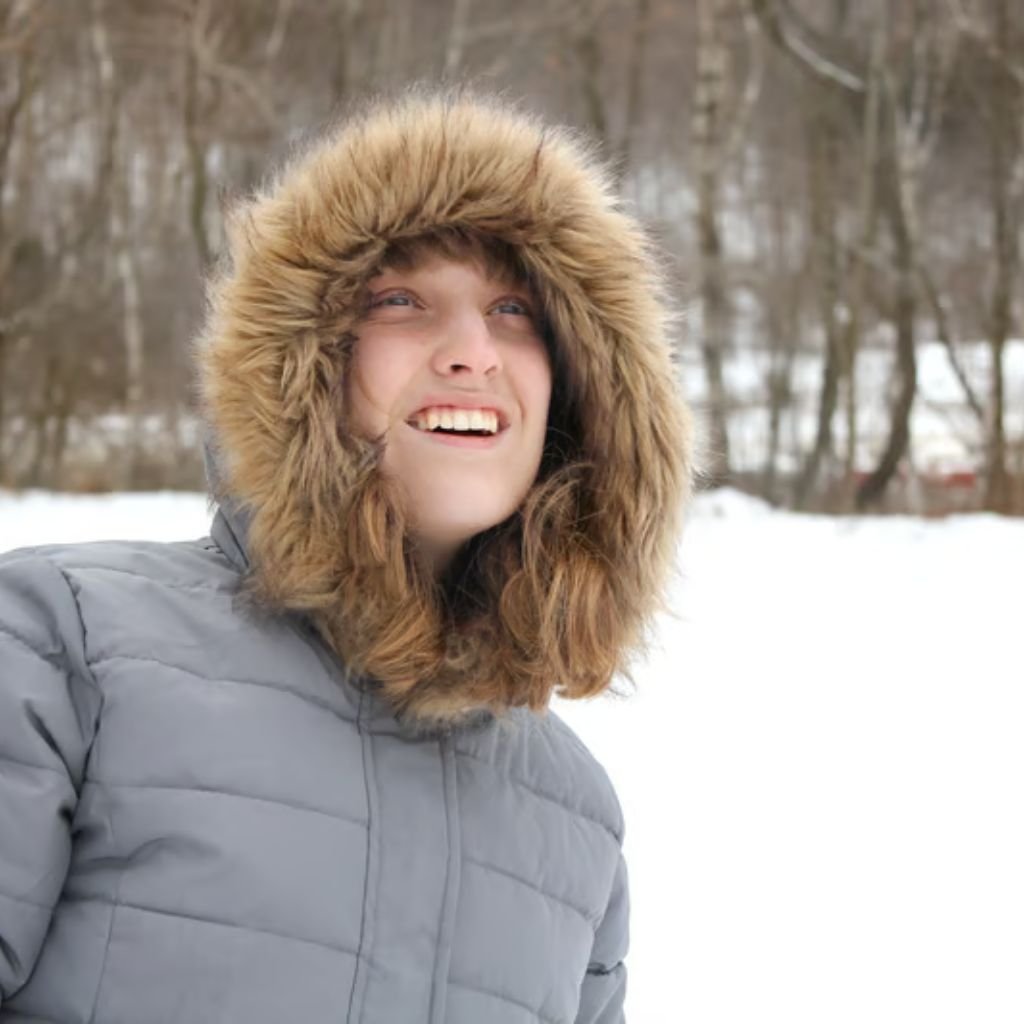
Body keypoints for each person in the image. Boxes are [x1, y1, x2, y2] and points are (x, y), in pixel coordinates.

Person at [0, 88, 691, 1022]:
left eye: (516, 310)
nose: (471, 351)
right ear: (309, 360)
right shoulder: (64, 648)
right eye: (403, 300)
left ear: (579, 394)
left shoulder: (573, 820)